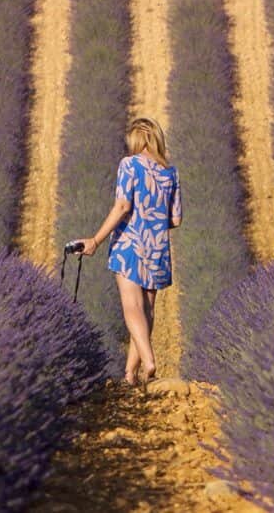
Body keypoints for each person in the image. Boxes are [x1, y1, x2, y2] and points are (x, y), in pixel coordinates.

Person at [74, 117, 181, 385]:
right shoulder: (170, 173)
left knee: (131, 306)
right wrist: (153, 219)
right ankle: (131, 373)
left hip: (130, 244)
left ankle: (148, 360)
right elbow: (176, 219)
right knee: (146, 311)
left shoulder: (129, 165)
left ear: (137, 140)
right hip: (157, 247)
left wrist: (95, 241)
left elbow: (122, 206)